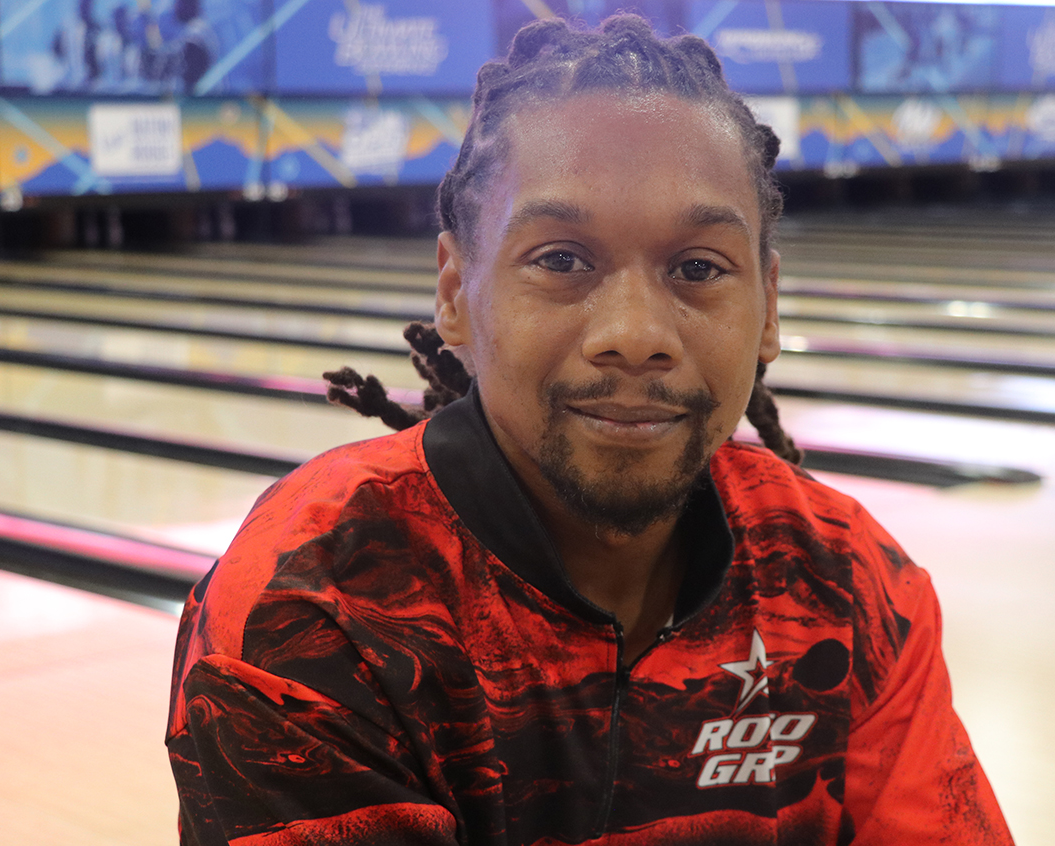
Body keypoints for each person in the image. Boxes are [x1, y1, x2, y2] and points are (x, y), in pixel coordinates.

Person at [167, 14, 1012, 845]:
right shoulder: (313, 602)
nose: (635, 334)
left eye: (699, 267)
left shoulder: (849, 585)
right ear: (456, 294)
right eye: (562, 260)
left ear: (768, 310)